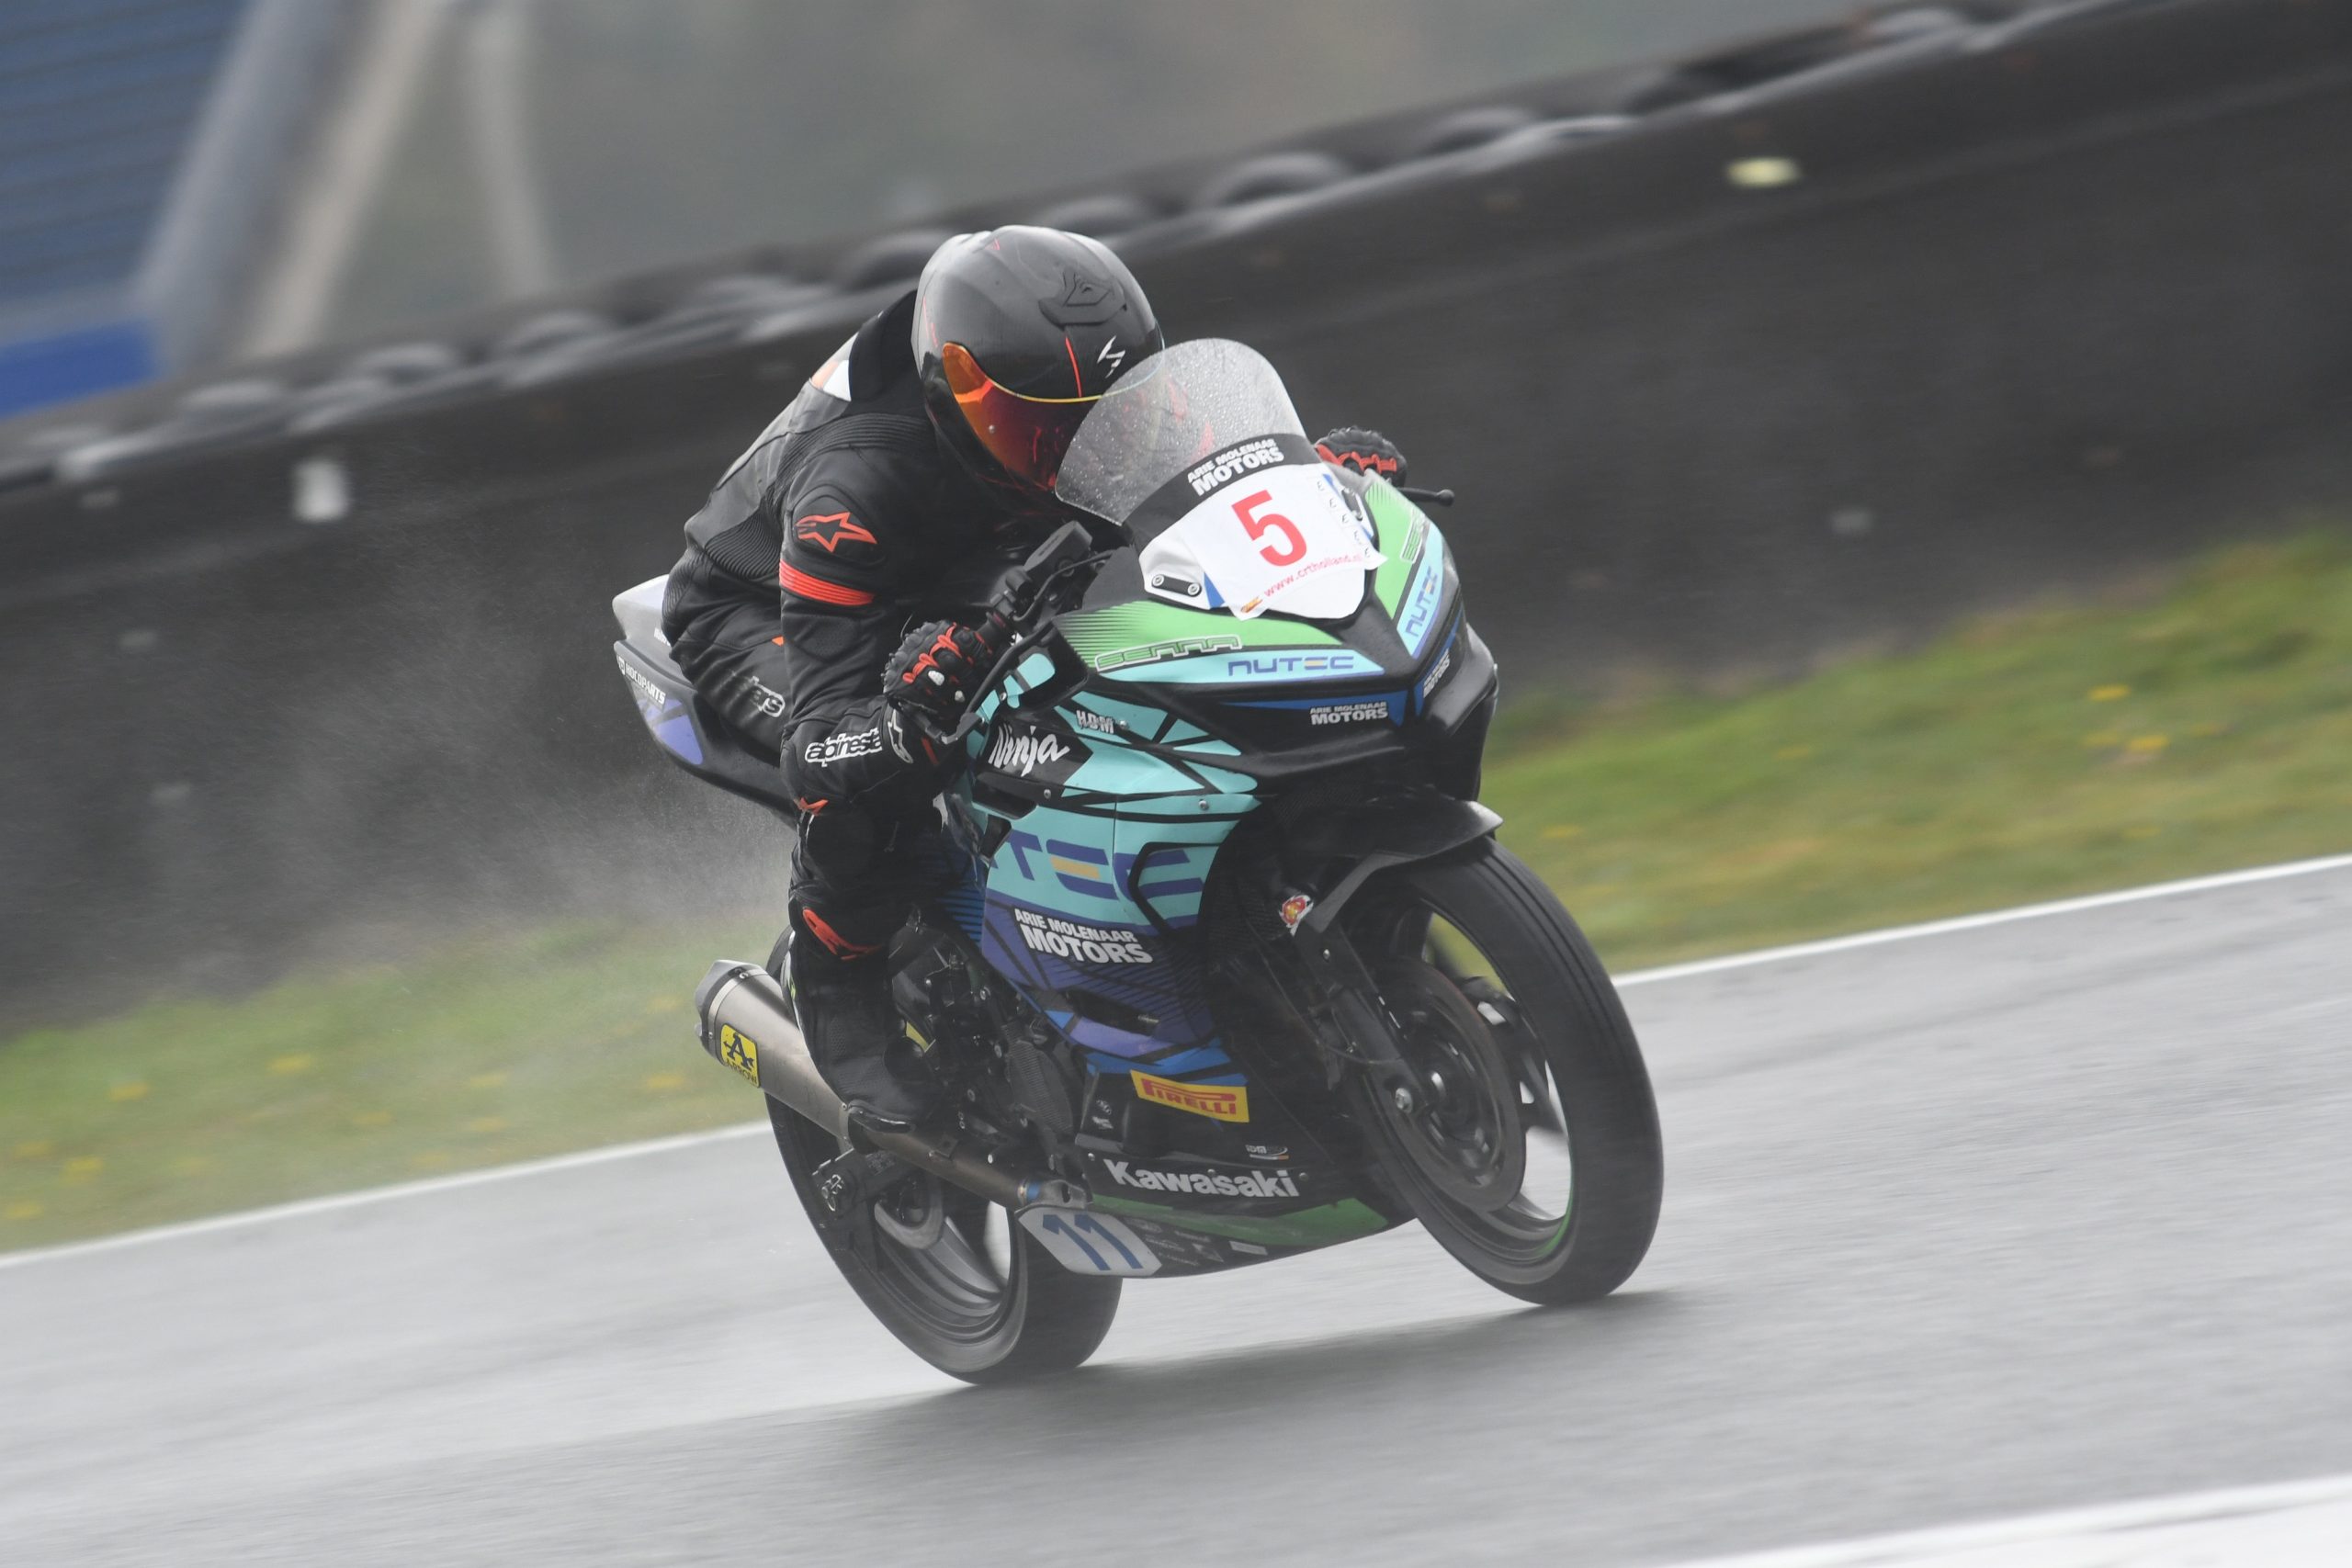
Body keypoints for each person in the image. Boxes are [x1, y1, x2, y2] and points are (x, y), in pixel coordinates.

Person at [661, 226, 1407, 1129]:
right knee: (880, 773)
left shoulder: (1102, 397)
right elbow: (819, 740)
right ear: (958, 396)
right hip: (764, 607)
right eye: (1040, 426)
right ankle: (837, 982)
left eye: (1101, 413)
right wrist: (899, 719)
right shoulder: (852, 489)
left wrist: (1319, 482)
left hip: (974, 553)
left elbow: (1213, 493)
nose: (1073, 444)